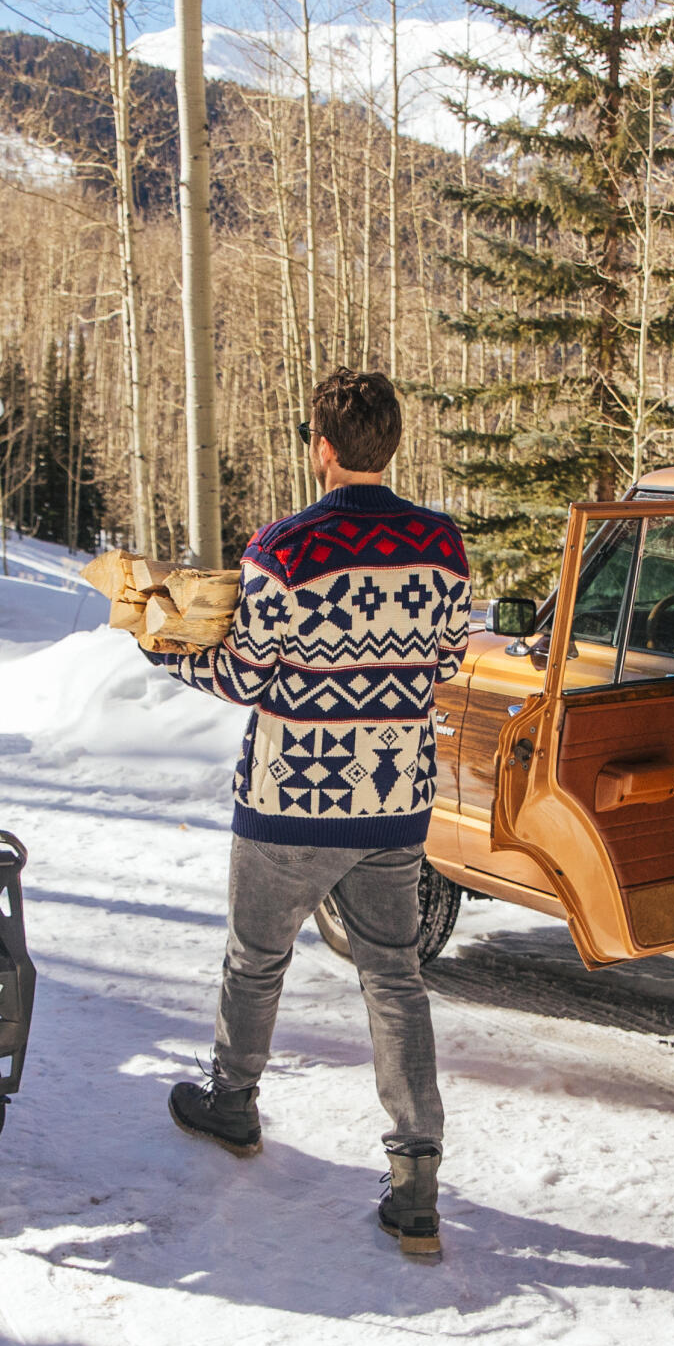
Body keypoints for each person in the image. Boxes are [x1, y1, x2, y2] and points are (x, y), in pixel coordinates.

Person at [141, 368, 475, 1257]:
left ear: (322, 449)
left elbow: (246, 676)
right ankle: (415, 1177)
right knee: (393, 976)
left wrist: (164, 646)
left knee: (257, 959)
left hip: (291, 798)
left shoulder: (284, 549)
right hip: (394, 796)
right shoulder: (443, 546)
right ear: (389, 446)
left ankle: (233, 1102)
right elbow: (443, 661)